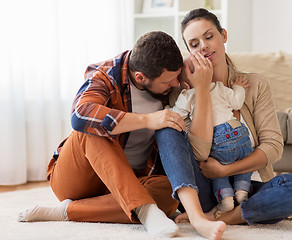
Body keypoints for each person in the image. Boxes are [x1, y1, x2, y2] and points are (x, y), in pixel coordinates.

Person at [155, 7, 292, 239]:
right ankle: (204, 215)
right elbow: (199, 154)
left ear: (224, 35)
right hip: (206, 190)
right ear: (189, 51)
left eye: (209, 36)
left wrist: (226, 169)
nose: (204, 46)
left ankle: (223, 217)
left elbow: (273, 146)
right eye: (194, 44)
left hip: (250, 189)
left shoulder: (254, 84)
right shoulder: (183, 93)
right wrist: (201, 88)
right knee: (166, 127)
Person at [18, 31, 189, 238]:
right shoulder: (106, 75)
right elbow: (81, 114)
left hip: (130, 182)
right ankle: (146, 211)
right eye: (169, 81)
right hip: (80, 180)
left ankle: (67, 211)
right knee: (91, 128)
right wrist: (147, 119)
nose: (176, 84)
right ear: (140, 77)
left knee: (172, 192)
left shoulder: (172, 84)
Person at [170, 67, 254, 218]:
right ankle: (242, 191)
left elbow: (176, 116)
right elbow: (237, 103)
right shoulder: (220, 87)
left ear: (185, 84)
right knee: (245, 159)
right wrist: (238, 88)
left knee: (215, 167)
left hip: (219, 139)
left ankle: (226, 198)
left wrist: (167, 109)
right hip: (240, 133)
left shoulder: (187, 95)